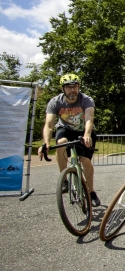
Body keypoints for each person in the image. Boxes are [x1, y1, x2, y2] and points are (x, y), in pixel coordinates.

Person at [38, 73, 100, 207]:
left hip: (84, 131)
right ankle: (64, 180)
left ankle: (91, 192)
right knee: (61, 144)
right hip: (65, 129)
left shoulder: (86, 100)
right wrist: (46, 143)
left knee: (86, 161)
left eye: (75, 87)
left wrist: (87, 134)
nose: (72, 90)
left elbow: (89, 118)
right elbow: (49, 125)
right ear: (63, 89)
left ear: (78, 88)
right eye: (68, 87)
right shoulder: (56, 102)